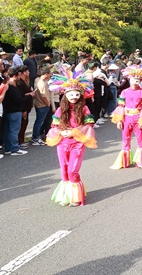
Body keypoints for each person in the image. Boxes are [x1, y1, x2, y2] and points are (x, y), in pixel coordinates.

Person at [46, 70, 97, 206]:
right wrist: (61, 133)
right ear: (65, 94)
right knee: (64, 169)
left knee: (72, 170)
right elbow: (54, 126)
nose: (73, 96)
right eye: (70, 94)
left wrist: (74, 132)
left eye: (76, 94)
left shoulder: (85, 109)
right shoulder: (60, 110)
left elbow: (90, 124)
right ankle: (67, 195)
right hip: (63, 143)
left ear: (80, 94)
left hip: (78, 143)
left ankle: (76, 196)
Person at [110, 65, 142, 169]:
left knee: (141, 139)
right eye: (133, 79)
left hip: (138, 118)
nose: (135, 82)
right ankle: (125, 161)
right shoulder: (124, 92)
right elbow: (120, 106)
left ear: (141, 81)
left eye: (138, 80)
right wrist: (120, 120)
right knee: (125, 139)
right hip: (126, 119)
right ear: (129, 79)